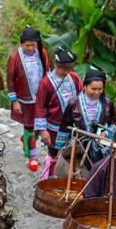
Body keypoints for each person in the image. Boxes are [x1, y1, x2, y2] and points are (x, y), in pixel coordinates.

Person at [34, 47, 82, 179]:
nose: (66, 72)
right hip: (54, 127)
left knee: (71, 153)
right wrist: (43, 130)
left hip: (72, 127)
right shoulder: (46, 83)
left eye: (69, 68)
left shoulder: (74, 78)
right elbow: (39, 106)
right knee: (53, 152)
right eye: (63, 68)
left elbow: (82, 98)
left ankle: (66, 178)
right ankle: (47, 179)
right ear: (56, 65)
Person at [7, 26, 50, 172]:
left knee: (39, 125)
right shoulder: (14, 57)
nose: (31, 48)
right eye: (27, 45)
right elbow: (10, 79)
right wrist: (14, 100)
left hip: (40, 97)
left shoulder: (42, 54)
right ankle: (33, 156)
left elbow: (46, 72)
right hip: (25, 99)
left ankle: (25, 139)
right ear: (21, 44)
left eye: (33, 45)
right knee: (30, 127)